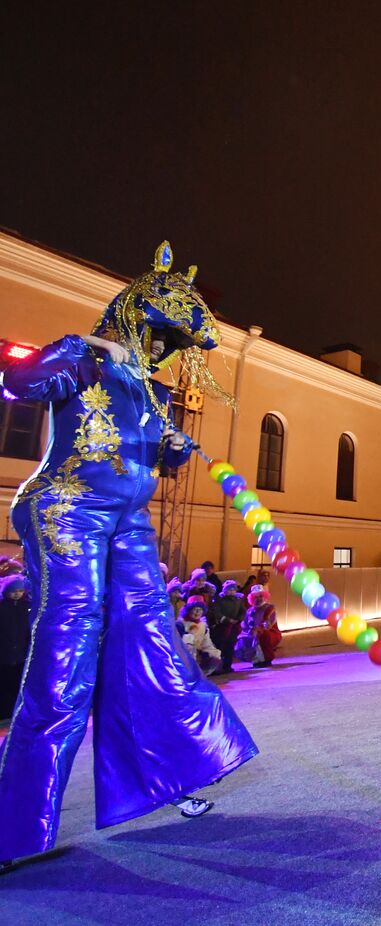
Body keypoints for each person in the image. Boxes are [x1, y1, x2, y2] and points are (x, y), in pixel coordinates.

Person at [0, 242, 257, 871]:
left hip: (128, 519)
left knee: (151, 641)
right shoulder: (83, 354)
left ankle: (171, 776)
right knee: (68, 655)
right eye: (164, 336)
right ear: (140, 315)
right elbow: (19, 381)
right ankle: (12, 827)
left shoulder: (150, 389)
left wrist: (168, 447)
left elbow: (153, 460)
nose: (166, 352)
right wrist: (52, 362)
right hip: (68, 508)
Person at [0, 576, 31, 721]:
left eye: (20, 591)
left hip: (19, 655)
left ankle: (13, 711)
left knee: (16, 683)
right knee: (4, 683)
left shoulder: (25, 607)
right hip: (4, 654)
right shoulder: (2, 607)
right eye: (14, 591)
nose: (17, 594)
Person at [180, 601, 223, 676]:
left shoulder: (203, 626)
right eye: (195, 609)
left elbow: (206, 643)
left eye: (200, 610)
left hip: (197, 654)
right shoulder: (181, 624)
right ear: (189, 611)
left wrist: (212, 653)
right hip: (183, 654)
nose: (197, 612)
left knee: (214, 657)